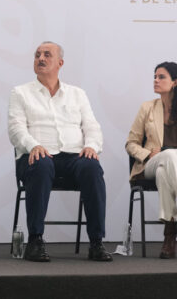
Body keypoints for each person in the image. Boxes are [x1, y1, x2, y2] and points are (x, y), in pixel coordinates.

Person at [8, 41, 112, 262]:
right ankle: (35, 241)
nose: (41, 59)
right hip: (36, 157)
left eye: (47, 55)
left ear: (60, 63)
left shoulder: (77, 94)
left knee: (92, 166)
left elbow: (92, 126)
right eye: (37, 55)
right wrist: (32, 145)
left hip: (73, 157)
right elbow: (15, 129)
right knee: (42, 162)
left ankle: (96, 242)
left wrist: (91, 146)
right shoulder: (20, 93)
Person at [125, 62, 177, 259]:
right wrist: (147, 154)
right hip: (151, 163)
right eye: (154, 76)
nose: (156, 80)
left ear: (175, 82)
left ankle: (170, 233)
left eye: (161, 77)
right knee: (166, 158)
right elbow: (131, 143)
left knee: (167, 166)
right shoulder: (147, 107)